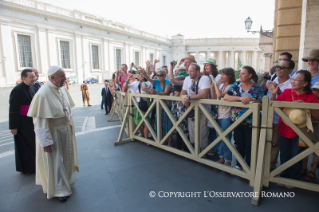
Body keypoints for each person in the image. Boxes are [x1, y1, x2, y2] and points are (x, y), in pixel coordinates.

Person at [27, 65, 79, 202]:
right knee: (56, 162)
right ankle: (59, 191)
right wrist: (46, 142)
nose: (65, 79)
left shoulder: (61, 88)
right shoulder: (42, 94)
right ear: (52, 78)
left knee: (66, 159)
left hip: (65, 131)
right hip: (53, 134)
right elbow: (39, 122)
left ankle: (66, 182)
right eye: (62, 77)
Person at [268, 70, 319, 187]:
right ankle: (284, 177)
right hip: (284, 128)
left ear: (305, 83)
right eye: (293, 79)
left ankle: (293, 179)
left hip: (301, 132)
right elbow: (273, 106)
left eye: (296, 80)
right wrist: (273, 94)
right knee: (285, 154)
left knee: (296, 156)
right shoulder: (286, 92)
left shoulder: (311, 96)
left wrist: (306, 107)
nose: (293, 82)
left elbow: (317, 115)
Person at [224, 66, 264, 169]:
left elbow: (263, 105)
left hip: (252, 120)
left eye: (243, 73)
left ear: (250, 75)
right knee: (238, 143)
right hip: (237, 119)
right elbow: (226, 97)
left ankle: (249, 166)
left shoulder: (257, 88)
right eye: (240, 73)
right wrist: (240, 98)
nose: (240, 75)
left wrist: (254, 101)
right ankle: (239, 164)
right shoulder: (236, 85)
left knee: (250, 144)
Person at [265, 59, 294, 171]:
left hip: (283, 119)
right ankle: (265, 167)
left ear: (290, 70)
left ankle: (271, 169)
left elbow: (289, 102)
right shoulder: (273, 79)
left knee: (276, 145)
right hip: (268, 117)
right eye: (278, 66)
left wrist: (278, 93)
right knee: (266, 142)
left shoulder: (292, 84)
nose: (278, 69)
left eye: (282, 68)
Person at [9, 69, 36, 174]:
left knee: (32, 145)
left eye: (34, 77)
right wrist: (13, 126)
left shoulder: (32, 88)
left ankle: (33, 166)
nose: (34, 79)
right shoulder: (17, 90)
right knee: (24, 147)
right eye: (31, 77)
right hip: (22, 123)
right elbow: (13, 109)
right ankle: (27, 168)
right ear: (23, 78)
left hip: (31, 120)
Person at [180, 63, 210, 152]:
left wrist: (189, 98)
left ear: (198, 71)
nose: (189, 73)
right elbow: (183, 92)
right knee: (192, 131)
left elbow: (204, 94)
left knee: (203, 132)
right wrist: (183, 97)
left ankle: (203, 154)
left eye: (191, 71)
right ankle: (195, 152)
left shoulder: (204, 78)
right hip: (191, 109)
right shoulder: (186, 79)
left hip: (203, 110)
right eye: (188, 71)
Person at [210, 67, 236, 166]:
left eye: (224, 74)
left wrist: (215, 84)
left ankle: (228, 159)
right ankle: (221, 156)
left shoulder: (231, 86)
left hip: (227, 114)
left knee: (226, 138)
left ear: (229, 76)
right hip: (219, 114)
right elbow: (214, 98)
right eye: (222, 74)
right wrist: (212, 87)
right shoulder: (220, 85)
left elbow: (220, 95)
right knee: (219, 137)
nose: (222, 76)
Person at [141, 68, 172, 143]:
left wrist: (156, 92)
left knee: (168, 122)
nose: (159, 76)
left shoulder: (168, 82)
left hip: (167, 105)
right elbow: (149, 78)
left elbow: (166, 92)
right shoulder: (156, 81)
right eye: (157, 75)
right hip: (158, 105)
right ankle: (160, 140)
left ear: (164, 75)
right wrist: (144, 73)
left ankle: (169, 140)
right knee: (159, 121)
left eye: (160, 75)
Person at [123, 71, 153, 140]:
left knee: (147, 121)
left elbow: (149, 92)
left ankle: (145, 138)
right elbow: (125, 87)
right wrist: (128, 79)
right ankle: (143, 136)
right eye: (139, 75)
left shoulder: (149, 83)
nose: (141, 76)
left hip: (147, 104)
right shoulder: (135, 83)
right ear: (137, 76)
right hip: (138, 104)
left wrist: (145, 90)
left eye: (142, 74)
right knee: (140, 121)